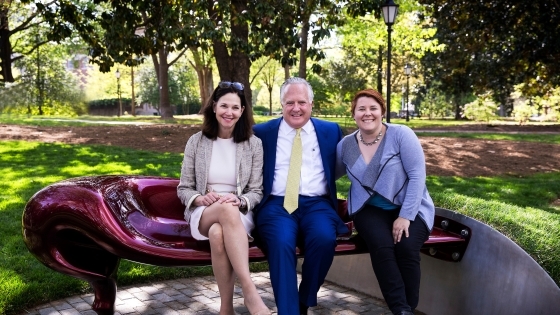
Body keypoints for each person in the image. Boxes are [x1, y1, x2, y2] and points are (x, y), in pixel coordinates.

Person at [253, 77, 349, 315]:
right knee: (281, 242)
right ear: (281, 104)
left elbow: (343, 165)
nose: (296, 108)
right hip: (276, 204)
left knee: (325, 239)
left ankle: (303, 301)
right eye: (290, 102)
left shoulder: (330, 130)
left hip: (317, 204)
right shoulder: (261, 133)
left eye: (302, 102)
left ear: (311, 104)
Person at [335, 89, 435, 315]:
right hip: (370, 209)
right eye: (361, 109)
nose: (367, 113)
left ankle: (407, 307)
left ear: (382, 111)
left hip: (410, 206)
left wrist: (405, 216)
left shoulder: (401, 134)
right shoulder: (346, 146)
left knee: (407, 247)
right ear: (354, 114)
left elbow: (418, 176)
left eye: (373, 108)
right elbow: (325, 175)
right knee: (382, 247)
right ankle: (401, 310)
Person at [177, 81, 271, 315]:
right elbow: (184, 188)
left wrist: (241, 201)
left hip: (239, 213)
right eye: (224, 106)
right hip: (204, 212)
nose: (229, 112)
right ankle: (250, 291)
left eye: (235, 107)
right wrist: (199, 199)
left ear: (242, 111)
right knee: (223, 213)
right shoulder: (196, 142)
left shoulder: (253, 144)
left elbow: (256, 191)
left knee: (218, 234)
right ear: (214, 107)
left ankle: (226, 309)